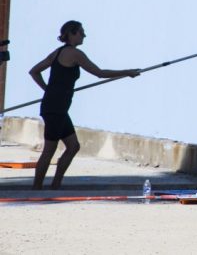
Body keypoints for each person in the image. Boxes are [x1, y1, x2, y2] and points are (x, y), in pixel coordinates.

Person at [28, 20, 141, 190]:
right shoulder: (75, 53)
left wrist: (48, 91)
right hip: (55, 109)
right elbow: (99, 73)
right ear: (72, 34)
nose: (84, 35)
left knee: (73, 146)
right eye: (81, 32)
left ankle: (55, 184)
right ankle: (36, 188)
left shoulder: (58, 52)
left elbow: (34, 71)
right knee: (49, 150)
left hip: (56, 107)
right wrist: (127, 73)